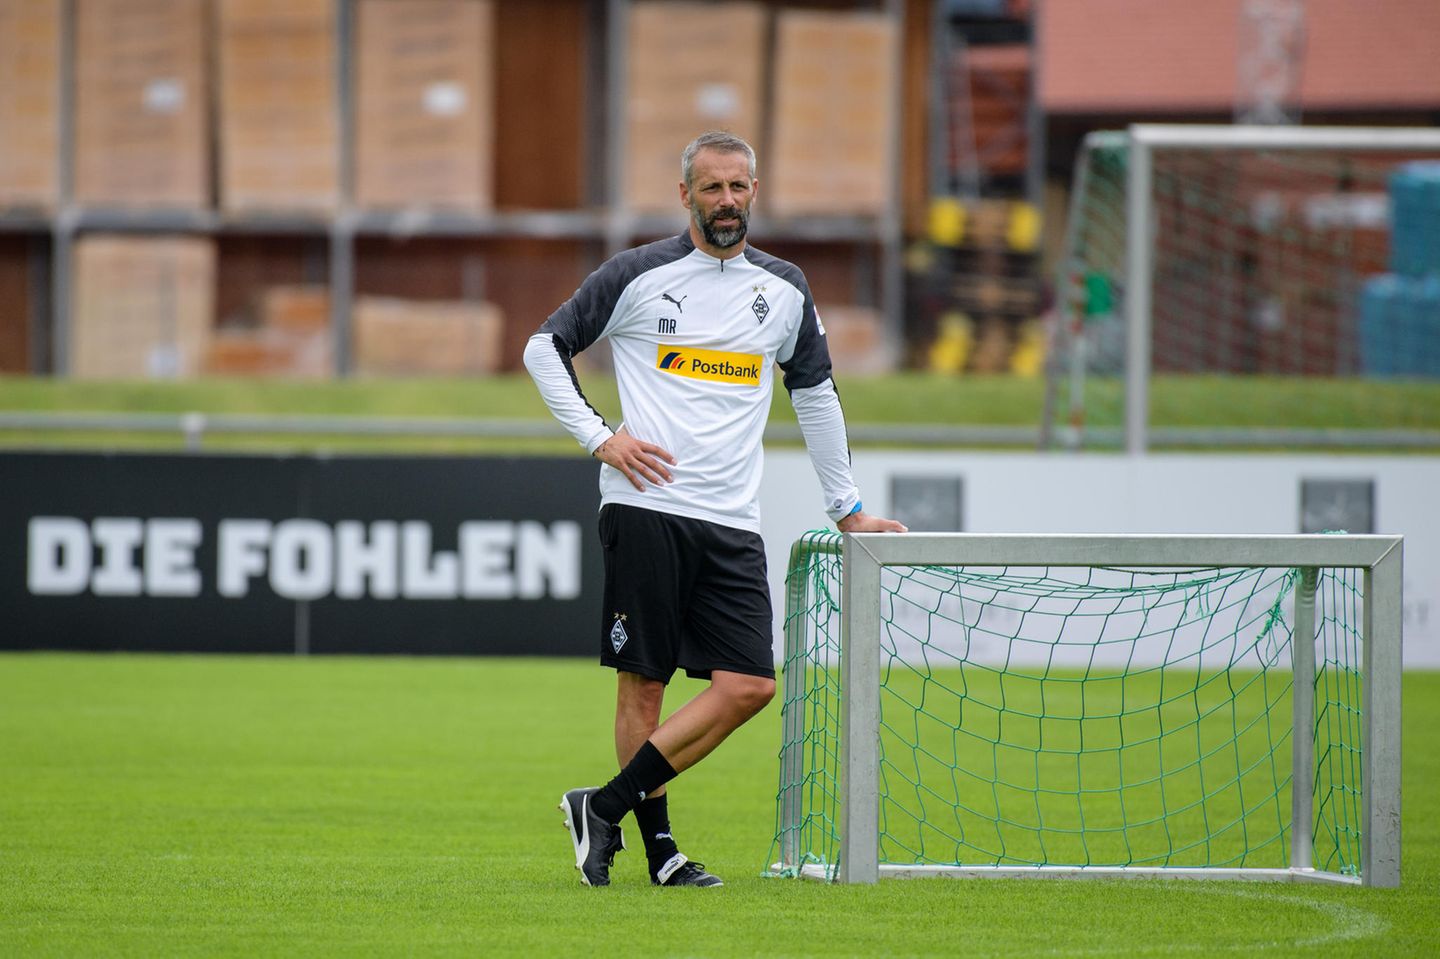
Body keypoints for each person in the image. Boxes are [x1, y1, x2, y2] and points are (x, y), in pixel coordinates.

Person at [523, 130, 906, 888]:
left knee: (749, 685)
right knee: (645, 686)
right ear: (685, 195)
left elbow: (816, 394)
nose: (726, 201)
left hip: (733, 519)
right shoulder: (637, 273)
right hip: (646, 508)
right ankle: (661, 853)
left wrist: (848, 509)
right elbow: (545, 347)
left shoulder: (784, 288)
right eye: (711, 188)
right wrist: (601, 438)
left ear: (754, 191)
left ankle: (602, 805)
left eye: (737, 187)